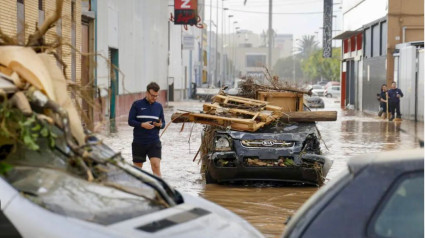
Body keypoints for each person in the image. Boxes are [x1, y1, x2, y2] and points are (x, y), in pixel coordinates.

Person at [128, 82, 165, 177]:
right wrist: (141, 124)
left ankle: (159, 190)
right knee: (137, 169)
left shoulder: (159, 107)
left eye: (156, 96)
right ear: (147, 93)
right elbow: (130, 121)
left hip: (154, 141)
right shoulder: (137, 104)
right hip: (139, 142)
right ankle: (136, 190)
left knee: (156, 165)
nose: (155, 98)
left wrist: (159, 125)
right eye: (152, 95)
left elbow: (163, 124)